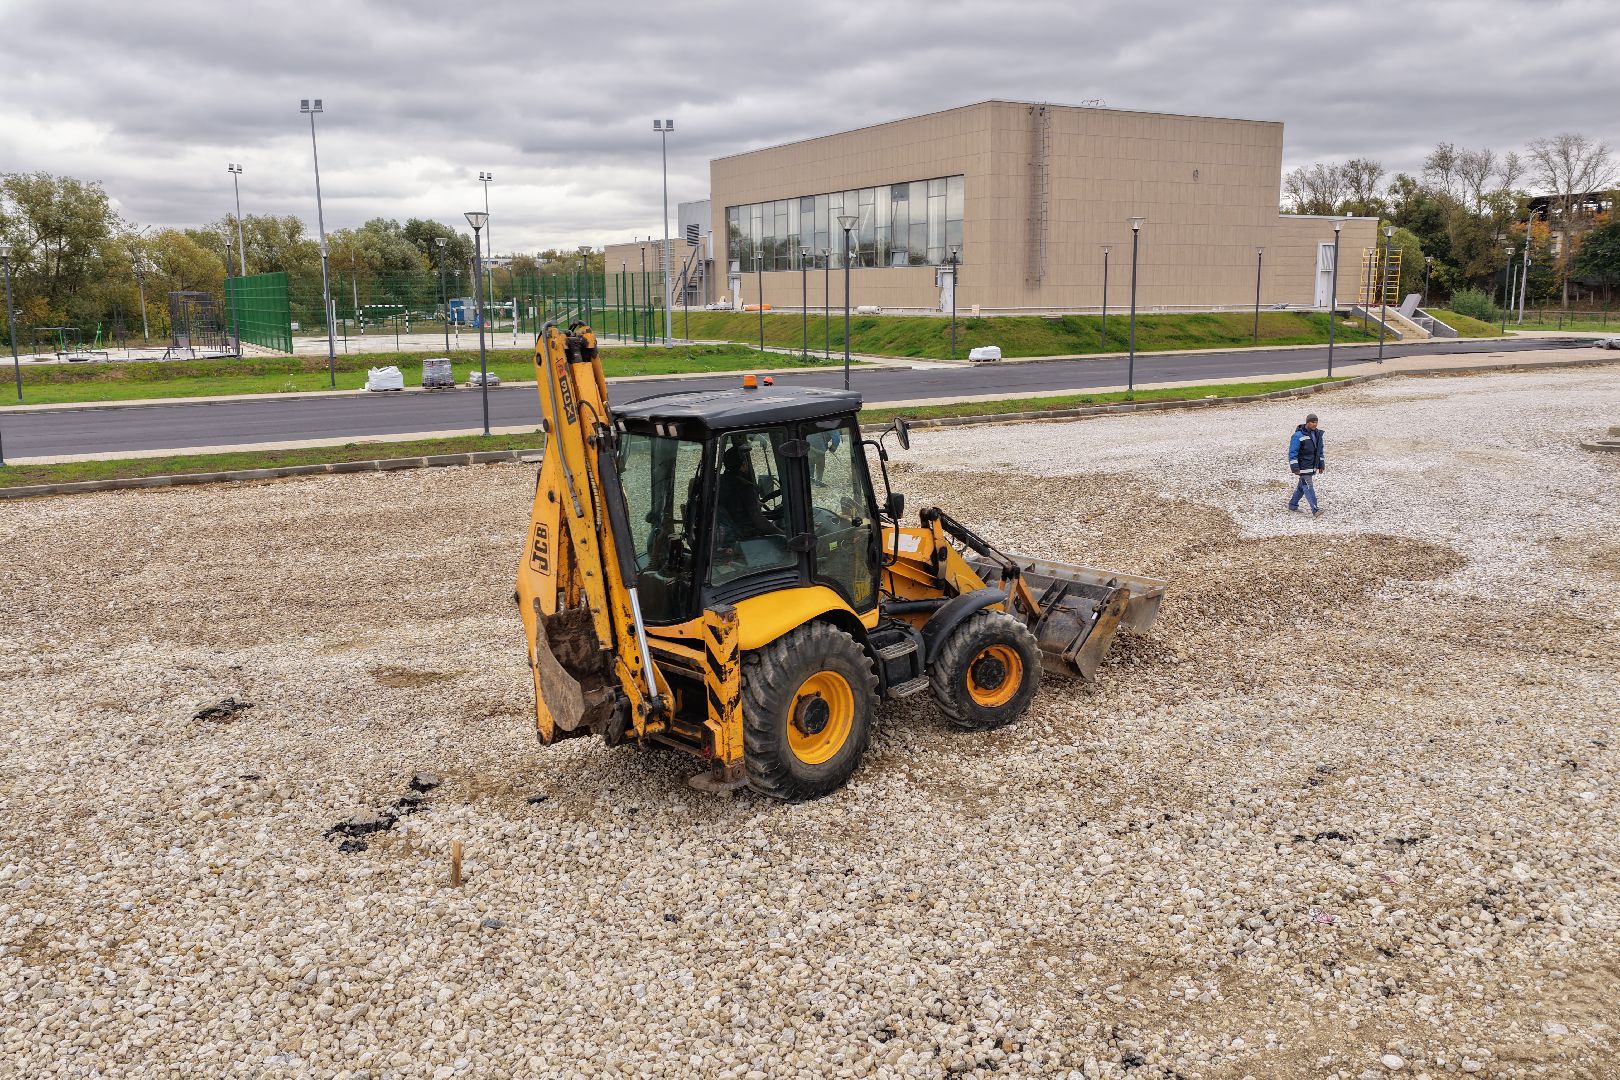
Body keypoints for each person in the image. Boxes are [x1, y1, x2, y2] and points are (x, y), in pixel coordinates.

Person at [716, 443, 782, 540]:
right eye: (746, 461)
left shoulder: (722, 481)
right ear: (742, 465)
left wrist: (754, 504)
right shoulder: (745, 487)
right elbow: (759, 522)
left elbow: (735, 506)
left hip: (730, 530)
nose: (747, 463)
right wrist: (782, 534)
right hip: (746, 536)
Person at [1287, 413, 1326, 517]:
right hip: (1303, 468)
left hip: (1311, 466)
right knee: (1308, 486)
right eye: (1313, 422)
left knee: (1302, 487)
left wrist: (1321, 464)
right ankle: (1315, 509)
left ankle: (1292, 505)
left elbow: (1320, 451)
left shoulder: (1318, 434)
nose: (1315, 424)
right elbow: (1292, 452)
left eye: (1316, 422)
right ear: (1307, 422)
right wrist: (1294, 467)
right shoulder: (1298, 436)